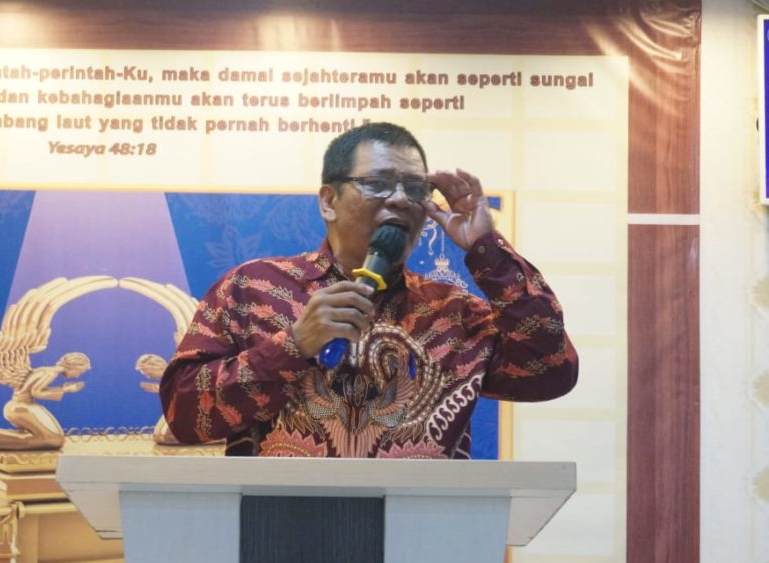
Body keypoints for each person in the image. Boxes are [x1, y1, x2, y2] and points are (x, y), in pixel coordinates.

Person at [158, 122, 577, 459]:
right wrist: (294, 345)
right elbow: (183, 414)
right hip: (278, 528)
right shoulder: (253, 289)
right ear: (328, 201)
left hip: (419, 530)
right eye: (378, 183)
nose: (401, 200)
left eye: (416, 188)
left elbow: (551, 371)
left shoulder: (453, 314)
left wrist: (488, 250)